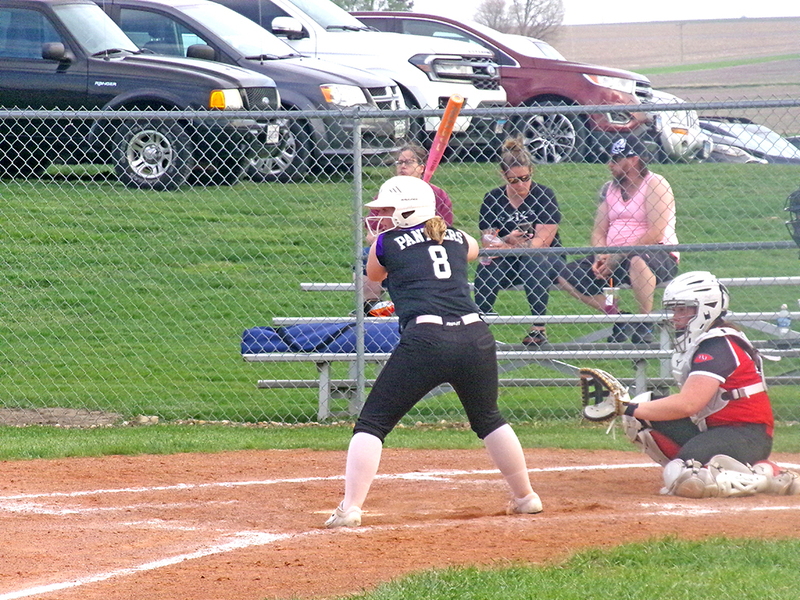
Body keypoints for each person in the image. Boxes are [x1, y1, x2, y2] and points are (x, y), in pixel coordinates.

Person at [325, 175, 543, 528]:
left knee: (372, 423)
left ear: (407, 212)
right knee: (488, 419)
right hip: (475, 337)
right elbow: (472, 248)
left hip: (427, 340)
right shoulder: (457, 237)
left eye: (387, 210)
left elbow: (374, 274)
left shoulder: (385, 243)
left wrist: (391, 239)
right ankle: (526, 496)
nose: (378, 217)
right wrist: (422, 232)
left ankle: (350, 508)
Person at [619, 271, 799, 498]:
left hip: (746, 435)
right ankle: (705, 465)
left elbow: (689, 404)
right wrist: (629, 408)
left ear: (706, 309)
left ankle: (766, 475)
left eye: (683, 310)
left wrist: (622, 406)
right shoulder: (706, 341)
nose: (675, 317)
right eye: (675, 310)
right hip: (715, 429)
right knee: (640, 412)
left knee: (683, 476)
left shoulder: (718, 345)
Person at [557, 134, 678, 344]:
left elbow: (656, 232)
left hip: (656, 253)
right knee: (563, 274)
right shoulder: (610, 189)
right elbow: (598, 232)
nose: (610, 164)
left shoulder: (655, 184)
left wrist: (618, 255)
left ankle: (644, 322)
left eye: (615, 159)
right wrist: (601, 255)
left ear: (633, 160)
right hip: (614, 256)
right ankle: (619, 317)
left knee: (637, 260)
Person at [474, 137, 564, 346]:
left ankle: (538, 327)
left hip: (547, 260)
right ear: (503, 175)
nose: (522, 184)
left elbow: (542, 242)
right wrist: (507, 239)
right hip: (508, 260)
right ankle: (479, 324)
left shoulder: (544, 195)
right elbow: (488, 242)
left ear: (532, 171)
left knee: (533, 259)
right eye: (514, 180)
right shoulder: (493, 198)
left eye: (525, 178)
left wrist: (504, 245)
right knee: (488, 263)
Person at [358, 143, 454, 316]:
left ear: (421, 168)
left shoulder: (436, 195)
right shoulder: (386, 194)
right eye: (400, 162)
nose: (402, 166)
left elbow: (443, 231)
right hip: (391, 246)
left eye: (409, 162)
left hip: (424, 248)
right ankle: (372, 309)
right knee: (366, 254)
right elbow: (371, 235)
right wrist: (390, 242)